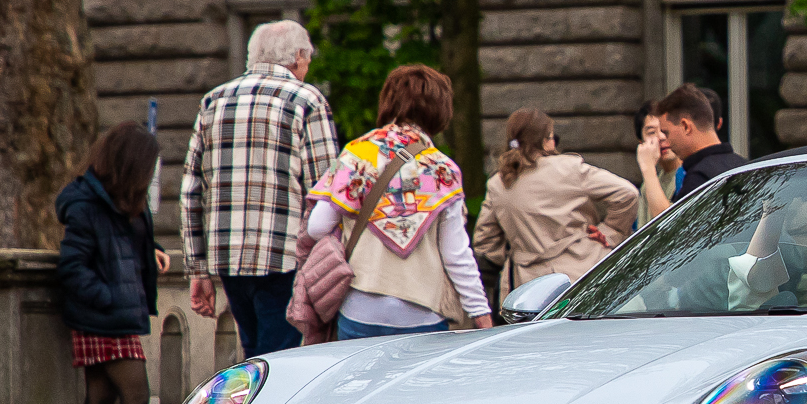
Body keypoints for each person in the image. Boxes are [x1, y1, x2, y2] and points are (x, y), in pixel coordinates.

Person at [180, 20, 340, 356]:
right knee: (282, 363)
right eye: (307, 59)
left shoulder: (213, 101)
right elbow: (326, 191)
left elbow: (192, 190)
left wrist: (198, 269)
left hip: (228, 257)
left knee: (254, 360)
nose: (307, 67)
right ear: (297, 57)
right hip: (285, 258)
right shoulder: (307, 100)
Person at [306, 64, 493, 337]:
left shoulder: (357, 154)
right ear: (440, 110)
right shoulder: (443, 170)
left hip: (360, 307)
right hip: (421, 312)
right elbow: (456, 254)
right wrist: (480, 312)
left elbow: (317, 227)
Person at [55, 122, 163, 404]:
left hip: (112, 315)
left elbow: (123, 247)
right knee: (136, 399)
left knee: (99, 401)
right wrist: (112, 298)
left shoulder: (117, 200)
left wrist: (152, 253)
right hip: (104, 318)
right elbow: (73, 268)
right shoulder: (88, 206)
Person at [474, 107, 638, 290]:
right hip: (582, 273)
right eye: (553, 138)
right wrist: (611, 232)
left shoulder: (498, 183)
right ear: (545, 141)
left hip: (528, 288)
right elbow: (627, 193)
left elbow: (485, 243)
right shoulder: (569, 168)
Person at [636, 85, 742, 219]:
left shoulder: (700, 177)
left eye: (666, 132)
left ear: (686, 126)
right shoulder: (743, 165)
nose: (664, 139)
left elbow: (670, 228)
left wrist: (648, 169)